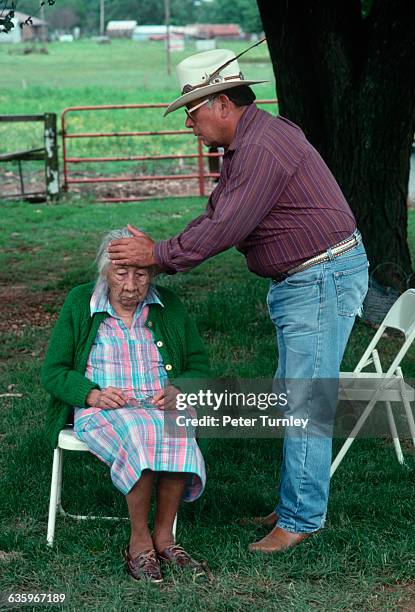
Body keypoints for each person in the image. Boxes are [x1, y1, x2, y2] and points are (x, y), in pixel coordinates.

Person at [107, 49, 369, 553]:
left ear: (222, 102)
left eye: (192, 110)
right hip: (310, 279)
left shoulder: (262, 148)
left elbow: (225, 228)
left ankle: (301, 520)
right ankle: (296, 501)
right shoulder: (251, 143)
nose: (189, 123)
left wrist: (157, 256)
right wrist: (161, 251)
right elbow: (217, 213)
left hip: (320, 279)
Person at [41, 228, 210, 583]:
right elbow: (53, 372)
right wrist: (90, 393)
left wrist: (180, 389)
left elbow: (199, 366)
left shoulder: (170, 307)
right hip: (103, 409)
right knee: (139, 429)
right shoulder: (79, 303)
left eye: (142, 273)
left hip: (156, 404)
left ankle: (165, 538)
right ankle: (139, 543)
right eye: (122, 273)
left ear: (153, 272)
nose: (132, 285)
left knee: (179, 424)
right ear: (105, 272)